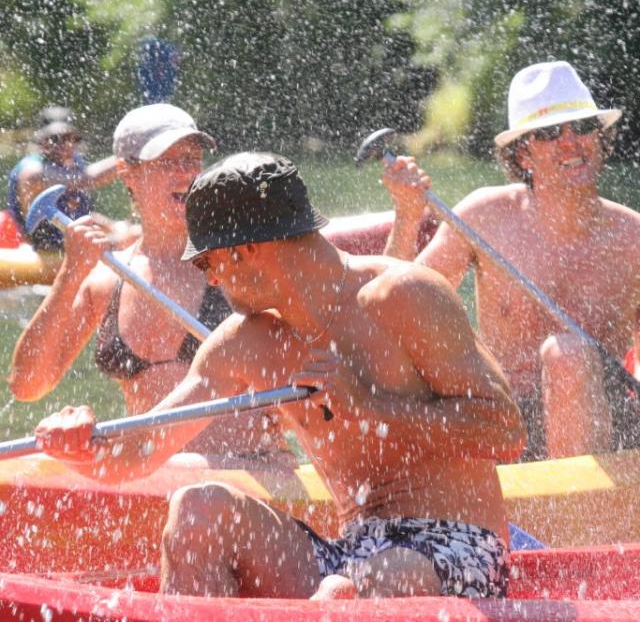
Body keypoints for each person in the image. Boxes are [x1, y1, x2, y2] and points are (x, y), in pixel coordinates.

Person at [33, 152, 525, 599]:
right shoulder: (249, 341)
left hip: (460, 547)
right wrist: (82, 445)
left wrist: (371, 410)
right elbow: (140, 449)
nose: (210, 278)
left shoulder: (404, 295)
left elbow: (506, 431)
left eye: (207, 262)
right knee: (197, 509)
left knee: (363, 582)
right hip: (354, 553)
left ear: (245, 251)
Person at [383, 60, 640, 461]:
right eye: (551, 133)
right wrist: (408, 214)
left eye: (583, 127)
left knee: (567, 355)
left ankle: (580, 512)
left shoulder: (632, 239)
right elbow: (392, 306)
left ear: (600, 138)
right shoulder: (485, 218)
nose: (571, 142)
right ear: (523, 155)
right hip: (505, 425)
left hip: (608, 432)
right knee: (564, 353)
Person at [9, 106, 293, 466]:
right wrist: (70, 274)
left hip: (254, 473)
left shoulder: (244, 261)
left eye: (192, 158)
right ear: (127, 172)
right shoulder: (106, 279)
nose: (185, 172)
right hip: (150, 481)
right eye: (167, 160)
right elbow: (27, 385)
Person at [7, 105, 121, 250]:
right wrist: (128, 157)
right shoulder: (32, 172)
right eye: (54, 138)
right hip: (43, 250)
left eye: (68, 138)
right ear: (42, 142)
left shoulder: (73, 164)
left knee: (132, 234)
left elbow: (77, 213)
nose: (63, 144)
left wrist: (114, 226)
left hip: (69, 244)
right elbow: (86, 180)